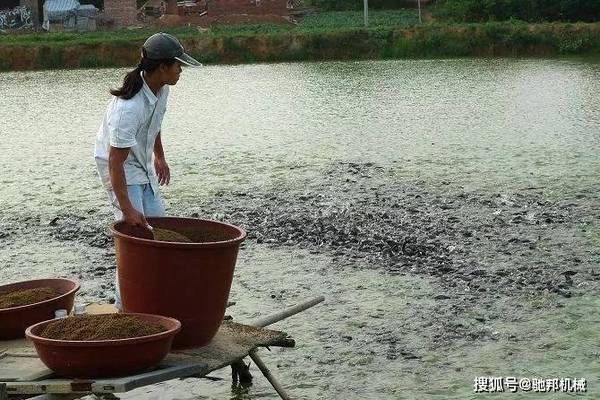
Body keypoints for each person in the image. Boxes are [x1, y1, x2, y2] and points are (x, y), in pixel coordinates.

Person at [93, 32, 201, 308]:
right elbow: (115, 160)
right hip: (119, 166)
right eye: (178, 65)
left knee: (157, 228)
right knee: (135, 237)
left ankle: (155, 300)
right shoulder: (128, 108)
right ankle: (126, 308)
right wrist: (127, 208)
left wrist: (160, 157)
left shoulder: (160, 90)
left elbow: (154, 125)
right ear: (162, 67)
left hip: (140, 161)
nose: (181, 71)